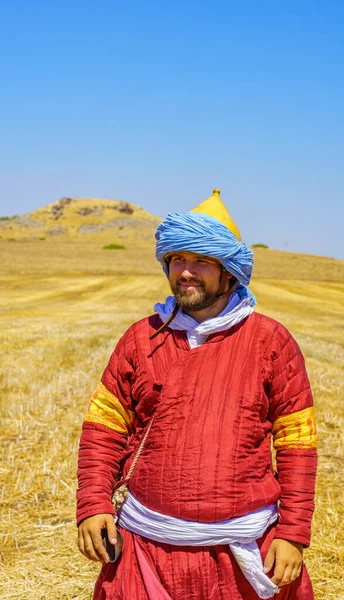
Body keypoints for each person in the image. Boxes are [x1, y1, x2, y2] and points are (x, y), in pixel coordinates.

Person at [76, 197, 317, 600]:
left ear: (229, 271)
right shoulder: (141, 339)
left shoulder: (272, 342)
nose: (185, 272)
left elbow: (298, 446)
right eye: (176, 259)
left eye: (201, 261)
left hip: (241, 551)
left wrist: (293, 533)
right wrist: (93, 503)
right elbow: (104, 430)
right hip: (146, 548)